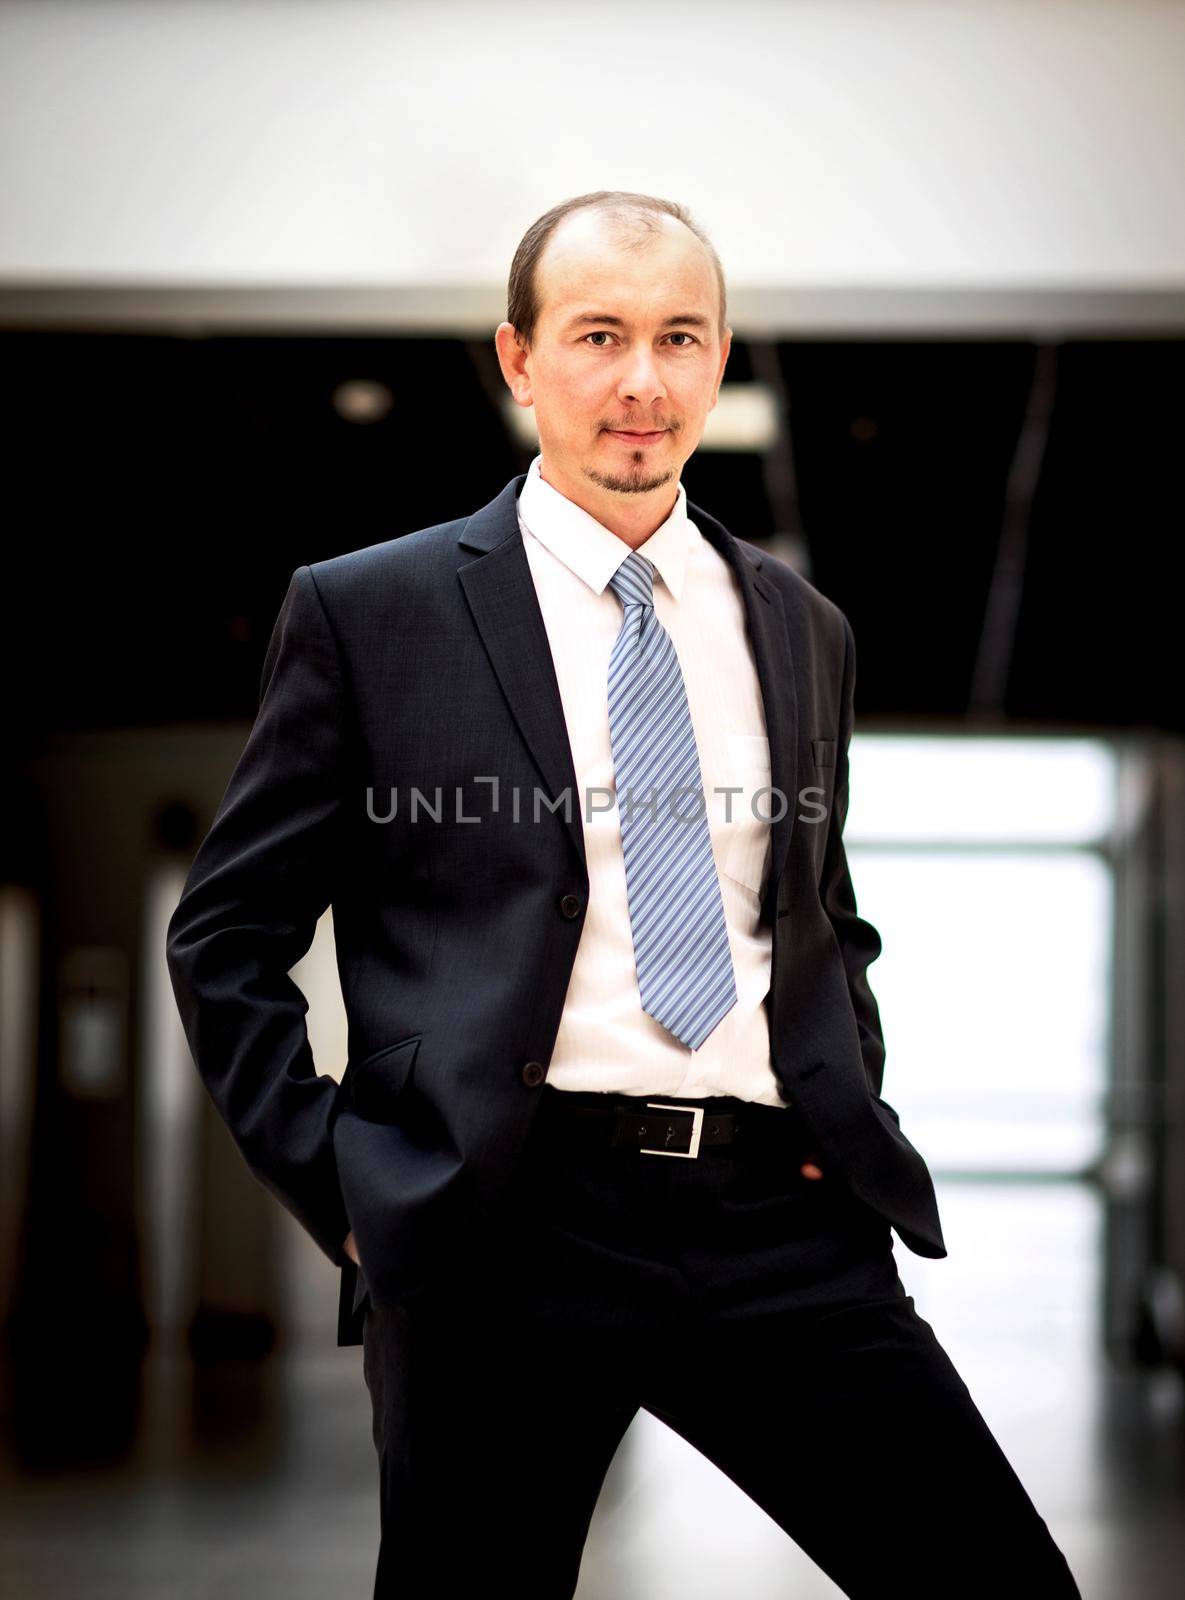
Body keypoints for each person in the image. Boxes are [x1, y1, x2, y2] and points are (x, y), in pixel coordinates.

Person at [166, 190, 1081, 1597]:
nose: (642, 380)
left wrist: (846, 1111)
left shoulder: (796, 622)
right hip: (500, 1227)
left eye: (679, 338)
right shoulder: (373, 610)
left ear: (719, 360)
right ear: (518, 359)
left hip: (779, 1217)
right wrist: (343, 1184)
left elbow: (815, 913)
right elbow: (227, 932)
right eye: (597, 334)